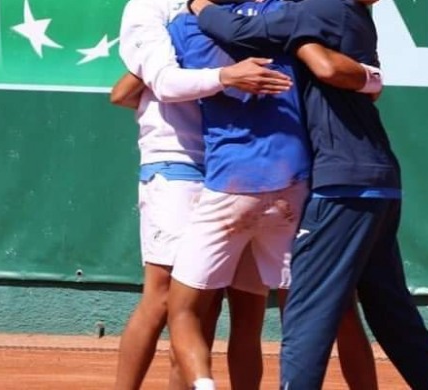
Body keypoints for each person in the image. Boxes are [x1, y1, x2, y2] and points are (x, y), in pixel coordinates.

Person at [189, 0, 428, 389]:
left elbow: (237, 32)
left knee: (306, 312)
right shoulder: (352, 17)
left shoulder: (318, 8)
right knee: (392, 313)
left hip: (342, 186)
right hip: (379, 182)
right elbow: (343, 73)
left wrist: (198, 4)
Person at [164, 1, 383, 389]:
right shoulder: (286, 13)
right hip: (291, 188)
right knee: (330, 312)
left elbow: (146, 84)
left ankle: (203, 385)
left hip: (229, 187)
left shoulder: (185, 27)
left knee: (182, 310)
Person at [113, 0, 293, 389]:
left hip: (235, 166)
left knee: (239, 309)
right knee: (166, 297)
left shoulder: (244, 8)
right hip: (177, 160)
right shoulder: (150, 8)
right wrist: (227, 75)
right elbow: (159, 81)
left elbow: (127, 90)